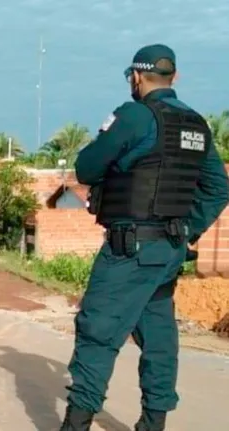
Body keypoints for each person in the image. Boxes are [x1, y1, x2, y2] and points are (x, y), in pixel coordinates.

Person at [60, 44, 229, 431]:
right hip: (168, 251)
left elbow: (86, 168)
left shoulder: (135, 116)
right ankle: (153, 424)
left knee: (98, 332)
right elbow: (218, 188)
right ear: (175, 78)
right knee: (158, 338)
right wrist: (189, 231)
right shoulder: (196, 124)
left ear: (136, 77)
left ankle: (76, 423)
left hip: (130, 251)